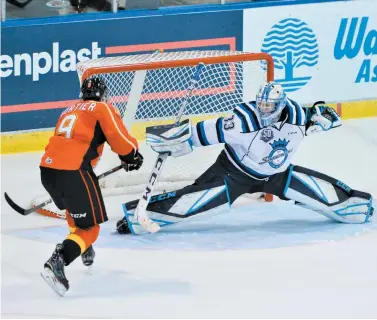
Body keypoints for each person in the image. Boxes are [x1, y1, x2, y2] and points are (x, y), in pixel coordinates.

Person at [117, 81, 374, 235]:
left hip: (277, 175)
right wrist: (178, 139)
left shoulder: (297, 116)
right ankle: (135, 218)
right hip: (233, 173)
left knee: (318, 191)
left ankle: (357, 206)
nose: (263, 110)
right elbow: (204, 132)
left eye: (269, 107)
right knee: (193, 199)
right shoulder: (241, 121)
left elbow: (326, 115)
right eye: (261, 105)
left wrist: (324, 118)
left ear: (281, 105)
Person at [40, 77, 143, 295]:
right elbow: (118, 138)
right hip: (74, 172)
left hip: (47, 170)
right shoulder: (102, 108)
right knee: (91, 227)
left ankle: (82, 246)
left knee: (73, 207)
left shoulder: (68, 110)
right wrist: (132, 156)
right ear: (104, 94)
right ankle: (59, 259)